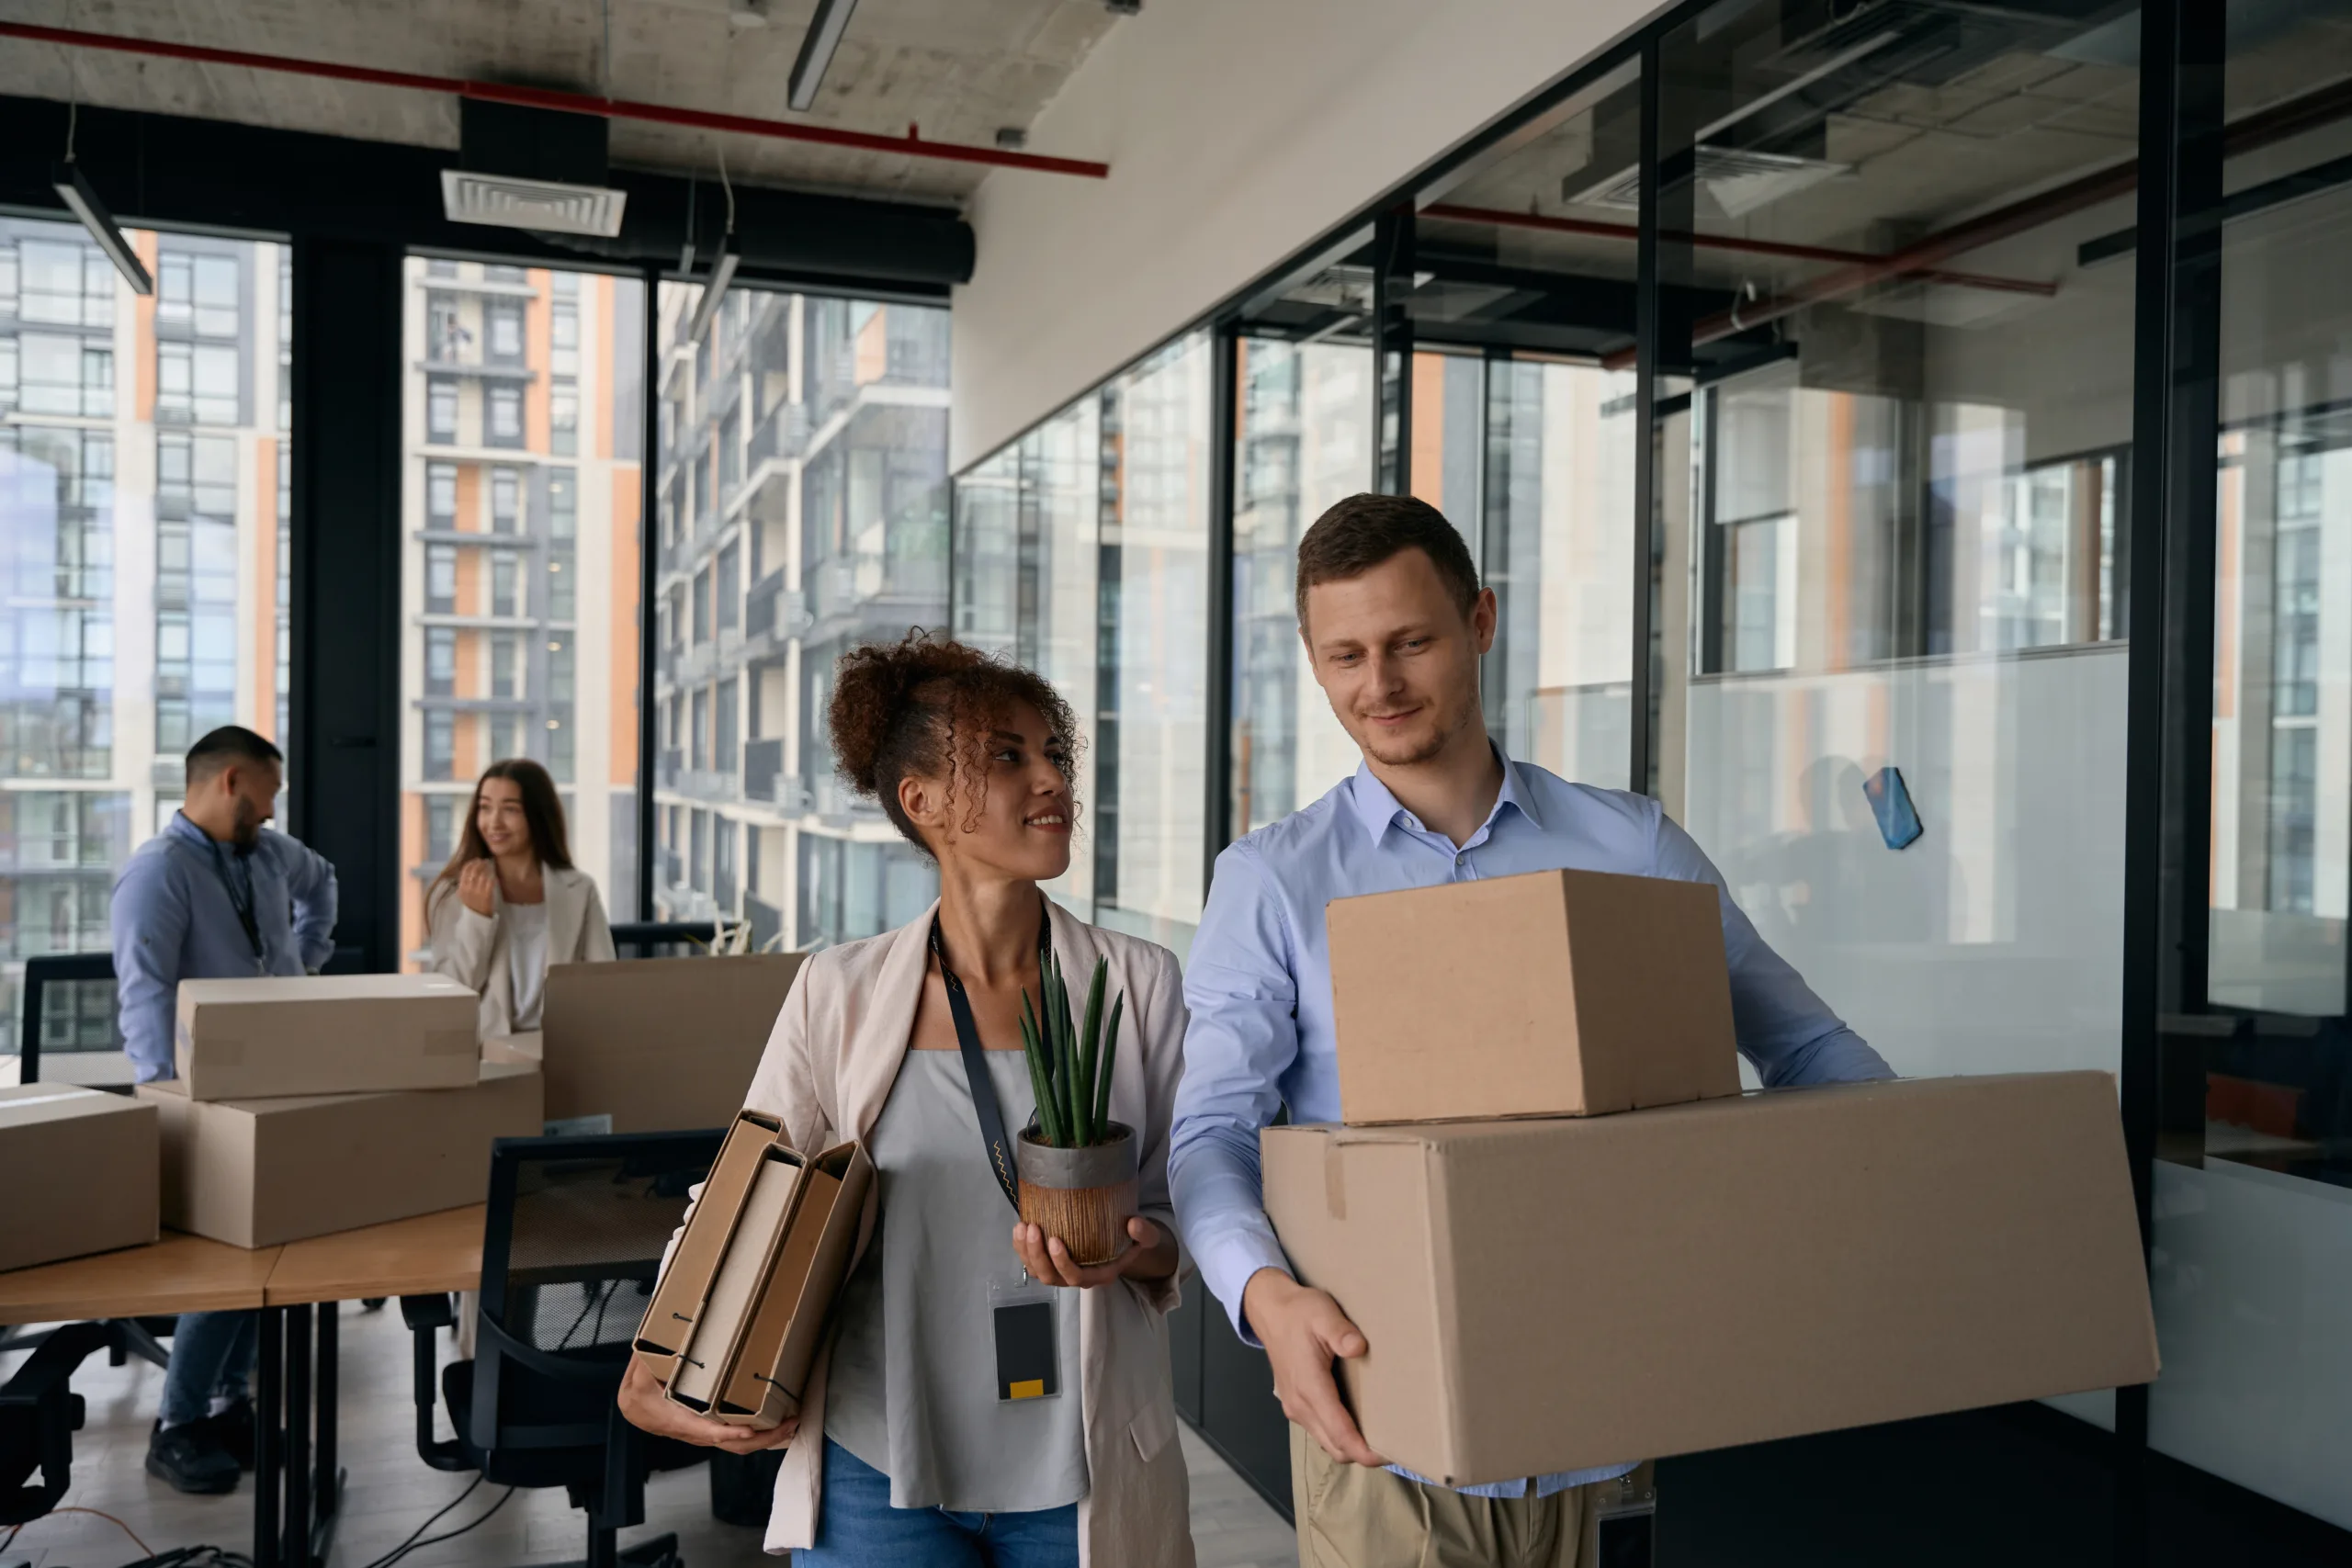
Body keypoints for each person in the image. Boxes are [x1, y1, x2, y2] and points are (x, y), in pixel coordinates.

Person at [1168, 493, 1894, 1568]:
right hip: (1388, 1432)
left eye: (1410, 641)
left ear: (1481, 623)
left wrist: (1918, 1172)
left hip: (1608, 1414)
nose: (1379, 685)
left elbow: (1806, 1047)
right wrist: (1265, 1299)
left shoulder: (1629, 846)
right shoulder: (1273, 881)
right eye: (1346, 655)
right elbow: (1209, 1137)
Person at [618, 633, 1195, 1568]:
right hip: (875, 1458)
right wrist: (654, 1354)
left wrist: (1129, 1250)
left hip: (1083, 1464)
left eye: (1055, 753)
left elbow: (1188, 1206)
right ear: (920, 802)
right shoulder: (838, 990)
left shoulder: (1137, 985)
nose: (1050, 779)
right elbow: (748, 1188)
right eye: (1008, 757)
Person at [112, 725, 338, 1495]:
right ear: (233, 781)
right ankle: (176, 1424)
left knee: (264, 1259)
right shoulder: (158, 872)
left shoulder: (270, 856)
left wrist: (303, 962)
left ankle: (227, 1402)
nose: (273, 813)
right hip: (202, 1097)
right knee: (224, 1271)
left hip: (281, 1082)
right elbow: (142, 993)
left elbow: (324, 883)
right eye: (269, 795)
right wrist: (166, 1098)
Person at [425, 758, 616, 1040]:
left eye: (510, 809)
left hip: (564, 1050)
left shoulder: (580, 890)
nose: (493, 822)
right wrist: (477, 919)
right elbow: (453, 991)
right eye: (485, 807)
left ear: (538, 816)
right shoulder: (456, 891)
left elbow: (603, 986)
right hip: (484, 1056)